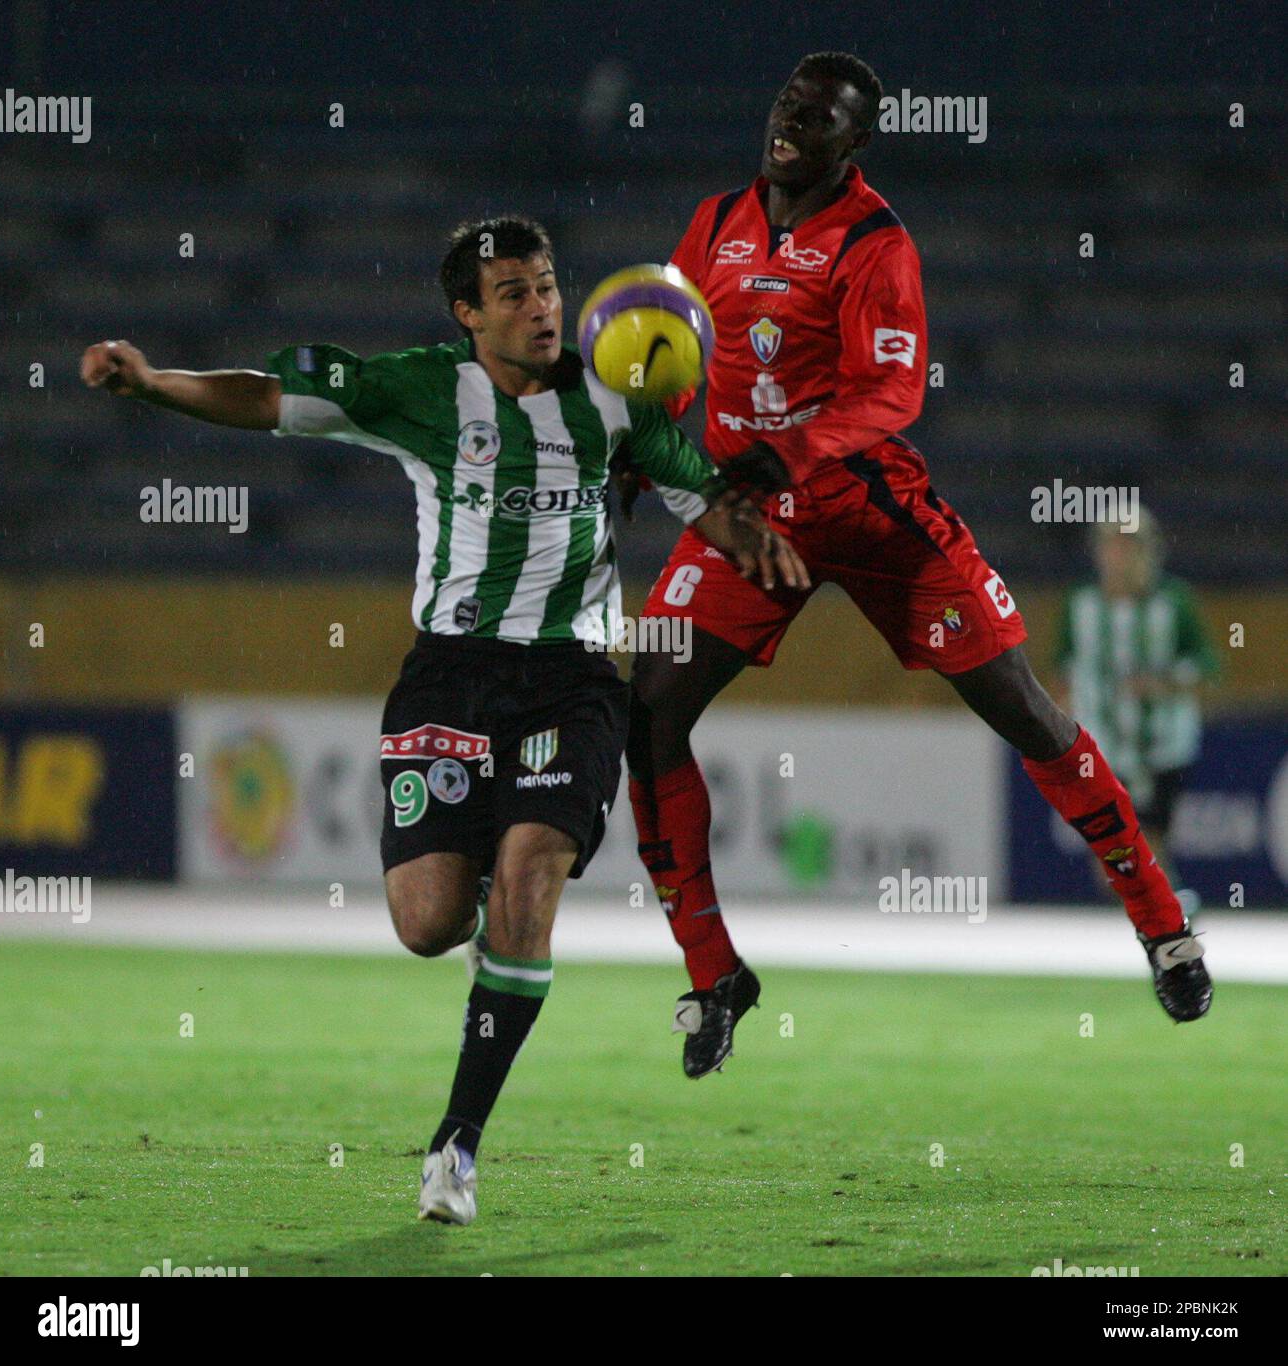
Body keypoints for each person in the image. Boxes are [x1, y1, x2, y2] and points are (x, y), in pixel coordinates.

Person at [80, 215, 805, 1225]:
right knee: (429, 922)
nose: (542, 307)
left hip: (574, 675)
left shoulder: (613, 391)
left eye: (548, 285)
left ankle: (455, 1145)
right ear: (466, 314)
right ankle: (492, 958)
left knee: (530, 871)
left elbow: (700, 494)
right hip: (450, 676)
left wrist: (751, 538)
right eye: (513, 292)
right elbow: (272, 397)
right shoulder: (420, 390)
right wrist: (153, 380)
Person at [622, 51, 1213, 1079]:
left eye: (818, 117)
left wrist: (786, 450)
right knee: (650, 708)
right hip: (749, 515)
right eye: (786, 104)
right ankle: (713, 975)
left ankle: (1161, 923)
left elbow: (887, 397)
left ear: (854, 144)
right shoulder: (713, 223)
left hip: (868, 509)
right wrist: (648, 441)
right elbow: (678, 354)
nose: (791, 124)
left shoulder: (876, 242)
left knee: (1023, 706)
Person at [1054, 510, 1220, 885]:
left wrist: (1163, 685)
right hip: (1101, 746)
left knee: (1147, 844)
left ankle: (1167, 923)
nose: (1119, 557)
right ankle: (1163, 918)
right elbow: (1063, 671)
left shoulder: (1174, 603)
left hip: (1163, 745)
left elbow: (1208, 671)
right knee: (1111, 862)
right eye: (1111, 547)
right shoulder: (1080, 604)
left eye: (1128, 547)